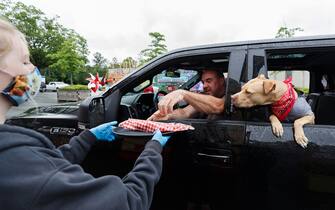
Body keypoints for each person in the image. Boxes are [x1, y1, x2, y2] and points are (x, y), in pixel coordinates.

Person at [0, 18, 171, 210]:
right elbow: (130, 202)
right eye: (24, 61)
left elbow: (45, 166)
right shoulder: (20, 163)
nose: (32, 69)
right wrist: (153, 150)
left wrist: (87, 137)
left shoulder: (14, 160)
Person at [148, 69, 226, 121]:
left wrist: (182, 93)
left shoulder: (231, 95)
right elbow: (185, 113)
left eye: (209, 81)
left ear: (221, 81)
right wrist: (168, 115)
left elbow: (219, 106)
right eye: (203, 82)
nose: (204, 86)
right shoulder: (204, 96)